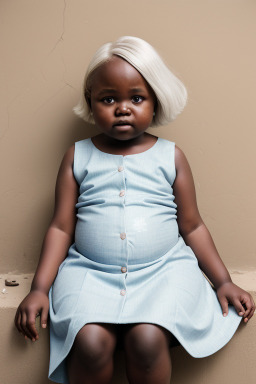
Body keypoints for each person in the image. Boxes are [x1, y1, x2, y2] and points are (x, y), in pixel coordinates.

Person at [15, 36, 255, 384]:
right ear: (91, 102)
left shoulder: (170, 156)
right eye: (108, 98)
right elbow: (61, 228)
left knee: (148, 339)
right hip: (90, 274)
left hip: (163, 273)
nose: (122, 108)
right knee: (91, 342)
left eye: (136, 98)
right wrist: (39, 289)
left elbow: (192, 226)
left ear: (155, 102)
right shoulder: (77, 156)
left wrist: (223, 282)